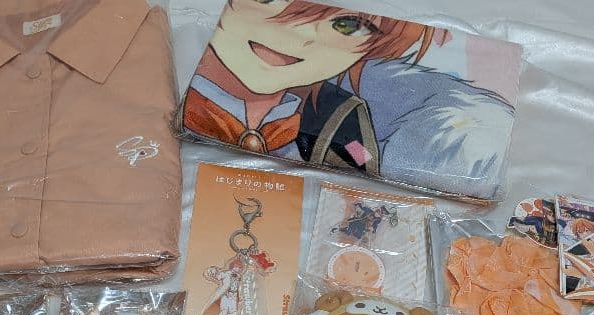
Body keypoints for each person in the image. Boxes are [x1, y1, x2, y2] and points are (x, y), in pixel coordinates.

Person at [181, 0, 513, 195]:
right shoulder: (184, 96)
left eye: (347, 26)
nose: (302, 36)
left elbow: (359, 155)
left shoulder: (341, 115)